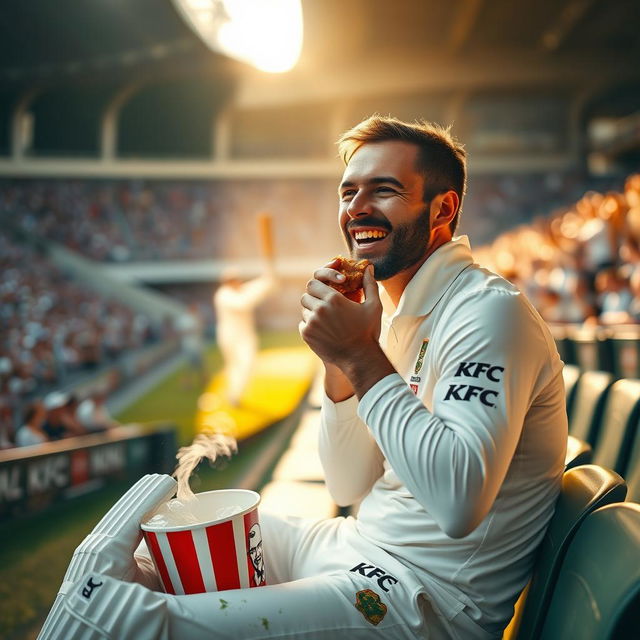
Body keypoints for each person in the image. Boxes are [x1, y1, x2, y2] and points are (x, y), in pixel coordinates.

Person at [38, 117, 567, 640]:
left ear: (442, 209)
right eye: (348, 192)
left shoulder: (488, 311)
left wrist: (360, 355)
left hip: (426, 600)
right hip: (358, 545)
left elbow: (458, 502)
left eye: (384, 190)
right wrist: (338, 365)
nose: (357, 208)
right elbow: (346, 482)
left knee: (138, 623)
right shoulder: (398, 312)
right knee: (172, 540)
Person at [213, 262, 276, 406]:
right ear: (228, 282)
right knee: (240, 365)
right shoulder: (224, 294)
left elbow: (257, 285)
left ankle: (234, 395)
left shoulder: (239, 290)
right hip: (231, 336)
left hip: (243, 335)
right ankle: (234, 396)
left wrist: (268, 277)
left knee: (244, 365)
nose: (238, 281)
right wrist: (264, 286)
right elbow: (244, 303)